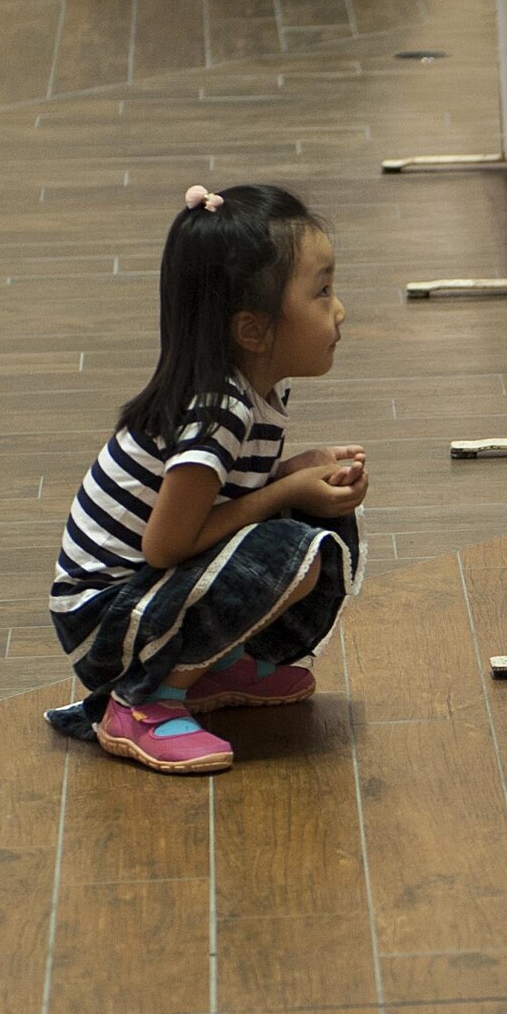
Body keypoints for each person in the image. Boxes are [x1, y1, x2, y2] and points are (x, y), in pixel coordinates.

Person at [42, 184, 368, 773]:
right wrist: (285, 491)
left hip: (143, 599)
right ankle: (140, 702)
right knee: (291, 546)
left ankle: (205, 667)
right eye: (321, 292)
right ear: (253, 331)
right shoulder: (218, 410)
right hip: (104, 619)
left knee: (313, 520)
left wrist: (297, 474)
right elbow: (166, 545)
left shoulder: (256, 392)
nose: (339, 309)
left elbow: (228, 496)